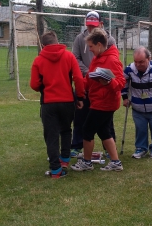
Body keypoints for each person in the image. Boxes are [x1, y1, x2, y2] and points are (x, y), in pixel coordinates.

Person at [30, 31, 85, 178]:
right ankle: (65, 160)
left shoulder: (38, 60)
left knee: (51, 135)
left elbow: (34, 85)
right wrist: (80, 97)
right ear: (57, 41)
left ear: (42, 45)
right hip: (67, 101)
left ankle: (56, 170)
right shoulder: (69, 56)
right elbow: (78, 78)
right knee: (66, 130)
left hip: (48, 103)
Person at [70, 28, 125, 172]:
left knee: (87, 130)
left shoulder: (112, 59)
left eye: (91, 47)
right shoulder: (97, 59)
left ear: (99, 45)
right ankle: (116, 162)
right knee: (104, 132)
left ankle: (87, 162)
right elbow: (89, 79)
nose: (89, 50)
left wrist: (108, 82)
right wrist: (80, 85)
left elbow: (120, 82)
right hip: (98, 101)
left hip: (105, 103)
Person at [71, 11, 117, 158]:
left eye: (94, 25)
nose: (91, 28)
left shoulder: (110, 42)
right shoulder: (80, 38)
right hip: (88, 82)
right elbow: (75, 58)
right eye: (89, 25)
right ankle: (78, 147)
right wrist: (89, 73)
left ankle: (106, 154)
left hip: (103, 94)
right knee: (81, 119)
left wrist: (105, 78)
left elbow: (117, 80)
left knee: (104, 125)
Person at [122, 46, 152, 159]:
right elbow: (123, 83)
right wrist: (125, 98)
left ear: (149, 58)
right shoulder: (129, 69)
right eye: (136, 62)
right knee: (140, 129)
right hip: (137, 108)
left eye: (141, 62)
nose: (138, 64)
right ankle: (141, 148)